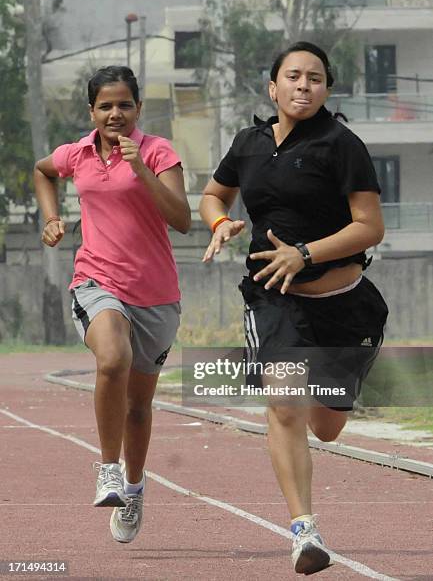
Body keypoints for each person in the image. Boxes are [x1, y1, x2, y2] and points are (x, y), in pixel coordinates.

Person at [199, 42, 388, 575]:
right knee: (284, 402)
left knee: (326, 427)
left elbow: (370, 226)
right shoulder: (248, 143)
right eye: (294, 76)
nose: (304, 86)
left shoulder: (340, 144)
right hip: (272, 298)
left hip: (345, 304)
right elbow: (213, 196)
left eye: (316, 79)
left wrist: (304, 253)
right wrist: (221, 223)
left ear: (327, 89)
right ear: (272, 86)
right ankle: (304, 530)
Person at [34, 66, 191, 543]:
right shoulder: (78, 153)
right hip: (97, 280)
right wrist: (52, 217)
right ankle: (107, 467)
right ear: (92, 112)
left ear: (138, 108)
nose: (115, 113)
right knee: (113, 358)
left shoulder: (158, 152)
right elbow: (43, 171)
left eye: (124, 104)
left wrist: (140, 169)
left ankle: (135, 488)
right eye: (105, 106)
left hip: (157, 294)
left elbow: (183, 219)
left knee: (139, 407)